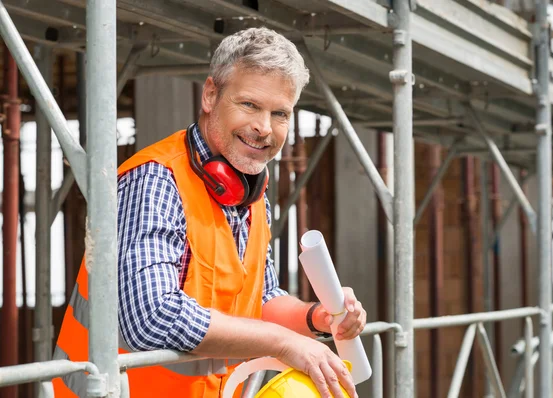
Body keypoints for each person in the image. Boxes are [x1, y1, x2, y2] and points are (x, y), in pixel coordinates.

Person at [52, 27, 366, 398]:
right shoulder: (155, 180)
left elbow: (261, 299)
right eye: (249, 104)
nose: (264, 128)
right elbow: (150, 317)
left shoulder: (250, 194)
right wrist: (282, 343)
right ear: (211, 94)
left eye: (280, 113)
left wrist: (316, 318)